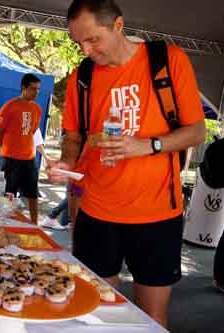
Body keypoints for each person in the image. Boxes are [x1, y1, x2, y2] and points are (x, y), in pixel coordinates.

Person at [46, 0, 205, 327]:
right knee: (94, 311)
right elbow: (74, 135)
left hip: (157, 213)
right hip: (96, 211)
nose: (87, 50)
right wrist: (66, 162)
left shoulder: (168, 61)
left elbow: (196, 132)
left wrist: (148, 145)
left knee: (152, 319)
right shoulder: (82, 77)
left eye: (93, 40)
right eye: (79, 43)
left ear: (118, 25)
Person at [0, 73, 43, 224]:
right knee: (8, 195)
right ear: (23, 87)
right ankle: (6, 225)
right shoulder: (9, 106)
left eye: (38, 89)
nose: (36, 92)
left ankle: (35, 224)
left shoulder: (37, 109)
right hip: (10, 159)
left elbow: (33, 131)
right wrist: (3, 150)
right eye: (33, 88)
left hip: (29, 158)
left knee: (33, 194)